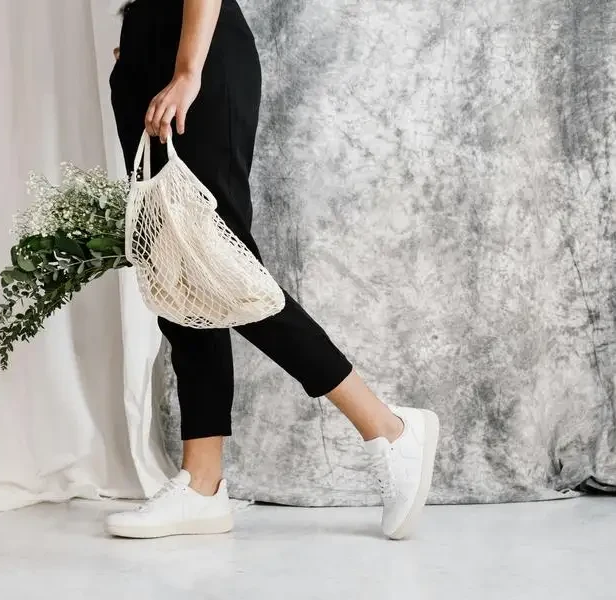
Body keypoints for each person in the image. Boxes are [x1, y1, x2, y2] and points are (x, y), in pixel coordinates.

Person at [106, 0, 439, 541]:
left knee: (223, 268)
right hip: (148, 52)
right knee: (179, 273)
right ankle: (202, 485)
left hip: (197, 56)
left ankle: (386, 427)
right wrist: (138, 37)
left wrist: (187, 68)